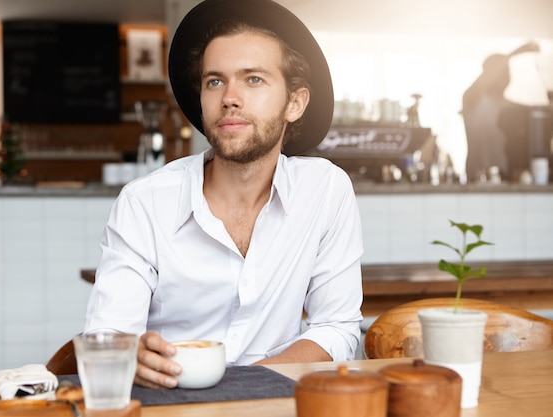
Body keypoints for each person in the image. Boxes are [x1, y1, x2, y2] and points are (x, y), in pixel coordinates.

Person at [84, 0, 364, 389]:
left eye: (253, 79)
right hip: (170, 401)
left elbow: (338, 327)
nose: (229, 97)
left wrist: (249, 385)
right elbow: (108, 337)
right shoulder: (144, 203)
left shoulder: (326, 190)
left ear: (295, 103)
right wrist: (128, 351)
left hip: (276, 399)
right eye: (214, 81)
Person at [463, 41, 540, 182]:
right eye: (501, 70)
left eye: (507, 70)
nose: (505, 74)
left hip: (509, 179)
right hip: (477, 180)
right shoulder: (472, 101)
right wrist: (513, 54)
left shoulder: (517, 109)